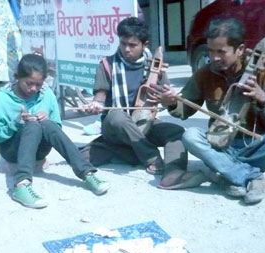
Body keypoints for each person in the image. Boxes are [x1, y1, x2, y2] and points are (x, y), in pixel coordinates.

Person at [153, 17, 265, 204]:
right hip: (220, 147)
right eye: (210, 51)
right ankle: (250, 178)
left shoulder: (262, 72)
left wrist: (262, 98)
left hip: (254, 147)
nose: (214, 57)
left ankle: (227, 174)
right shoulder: (205, 73)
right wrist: (172, 102)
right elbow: (185, 109)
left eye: (221, 52)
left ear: (239, 50)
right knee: (191, 136)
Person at [82, 17, 201, 190]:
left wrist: (169, 97)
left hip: (145, 122)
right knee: (116, 115)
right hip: (115, 127)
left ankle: (173, 172)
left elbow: (166, 98)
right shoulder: (107, 65)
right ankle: (150, 155)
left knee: (176, 132)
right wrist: (95, 104)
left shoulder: (155, 67)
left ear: (144, 44)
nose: (126, 49)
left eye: (132, 45)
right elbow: (100, 96)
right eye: (123, 44)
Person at [0, 54, 110, 209]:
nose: (33, 88)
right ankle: (21, 185)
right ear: (17, 77)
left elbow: (56, 130)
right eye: (29, 83)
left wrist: (48, 120)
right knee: (32, 125)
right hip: (12, 149)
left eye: (38, 85)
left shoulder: (46, 93)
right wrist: (17, 123)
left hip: (39, 150)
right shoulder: (3, 98)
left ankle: (87, 173)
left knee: (46, 123)